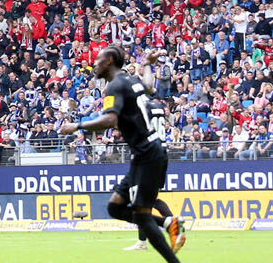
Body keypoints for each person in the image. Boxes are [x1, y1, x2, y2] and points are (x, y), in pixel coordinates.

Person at [60, 46, 184, 263]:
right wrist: (147, 63)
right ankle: (167, 223)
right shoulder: (129, 80)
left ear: (109, 60)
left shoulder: (114, 86)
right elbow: (147, 86)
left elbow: (110, 120)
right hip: (145, 153)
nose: (93, 65)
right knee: (115, 207)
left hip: (148, 154)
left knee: (142, 216)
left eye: (97, 60)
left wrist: (77, 125)